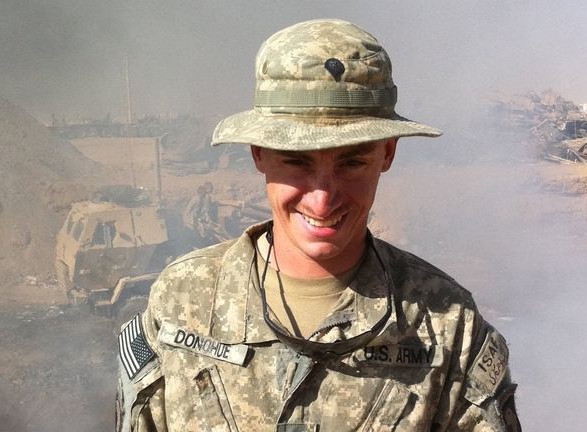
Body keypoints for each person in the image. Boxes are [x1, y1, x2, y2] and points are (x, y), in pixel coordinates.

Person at [116, 19, 520, 431]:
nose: (323, 198)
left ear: (387, 154)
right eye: (297, 160)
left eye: (353, 161)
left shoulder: (447, 324)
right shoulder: (183, 302)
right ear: (259, 154)